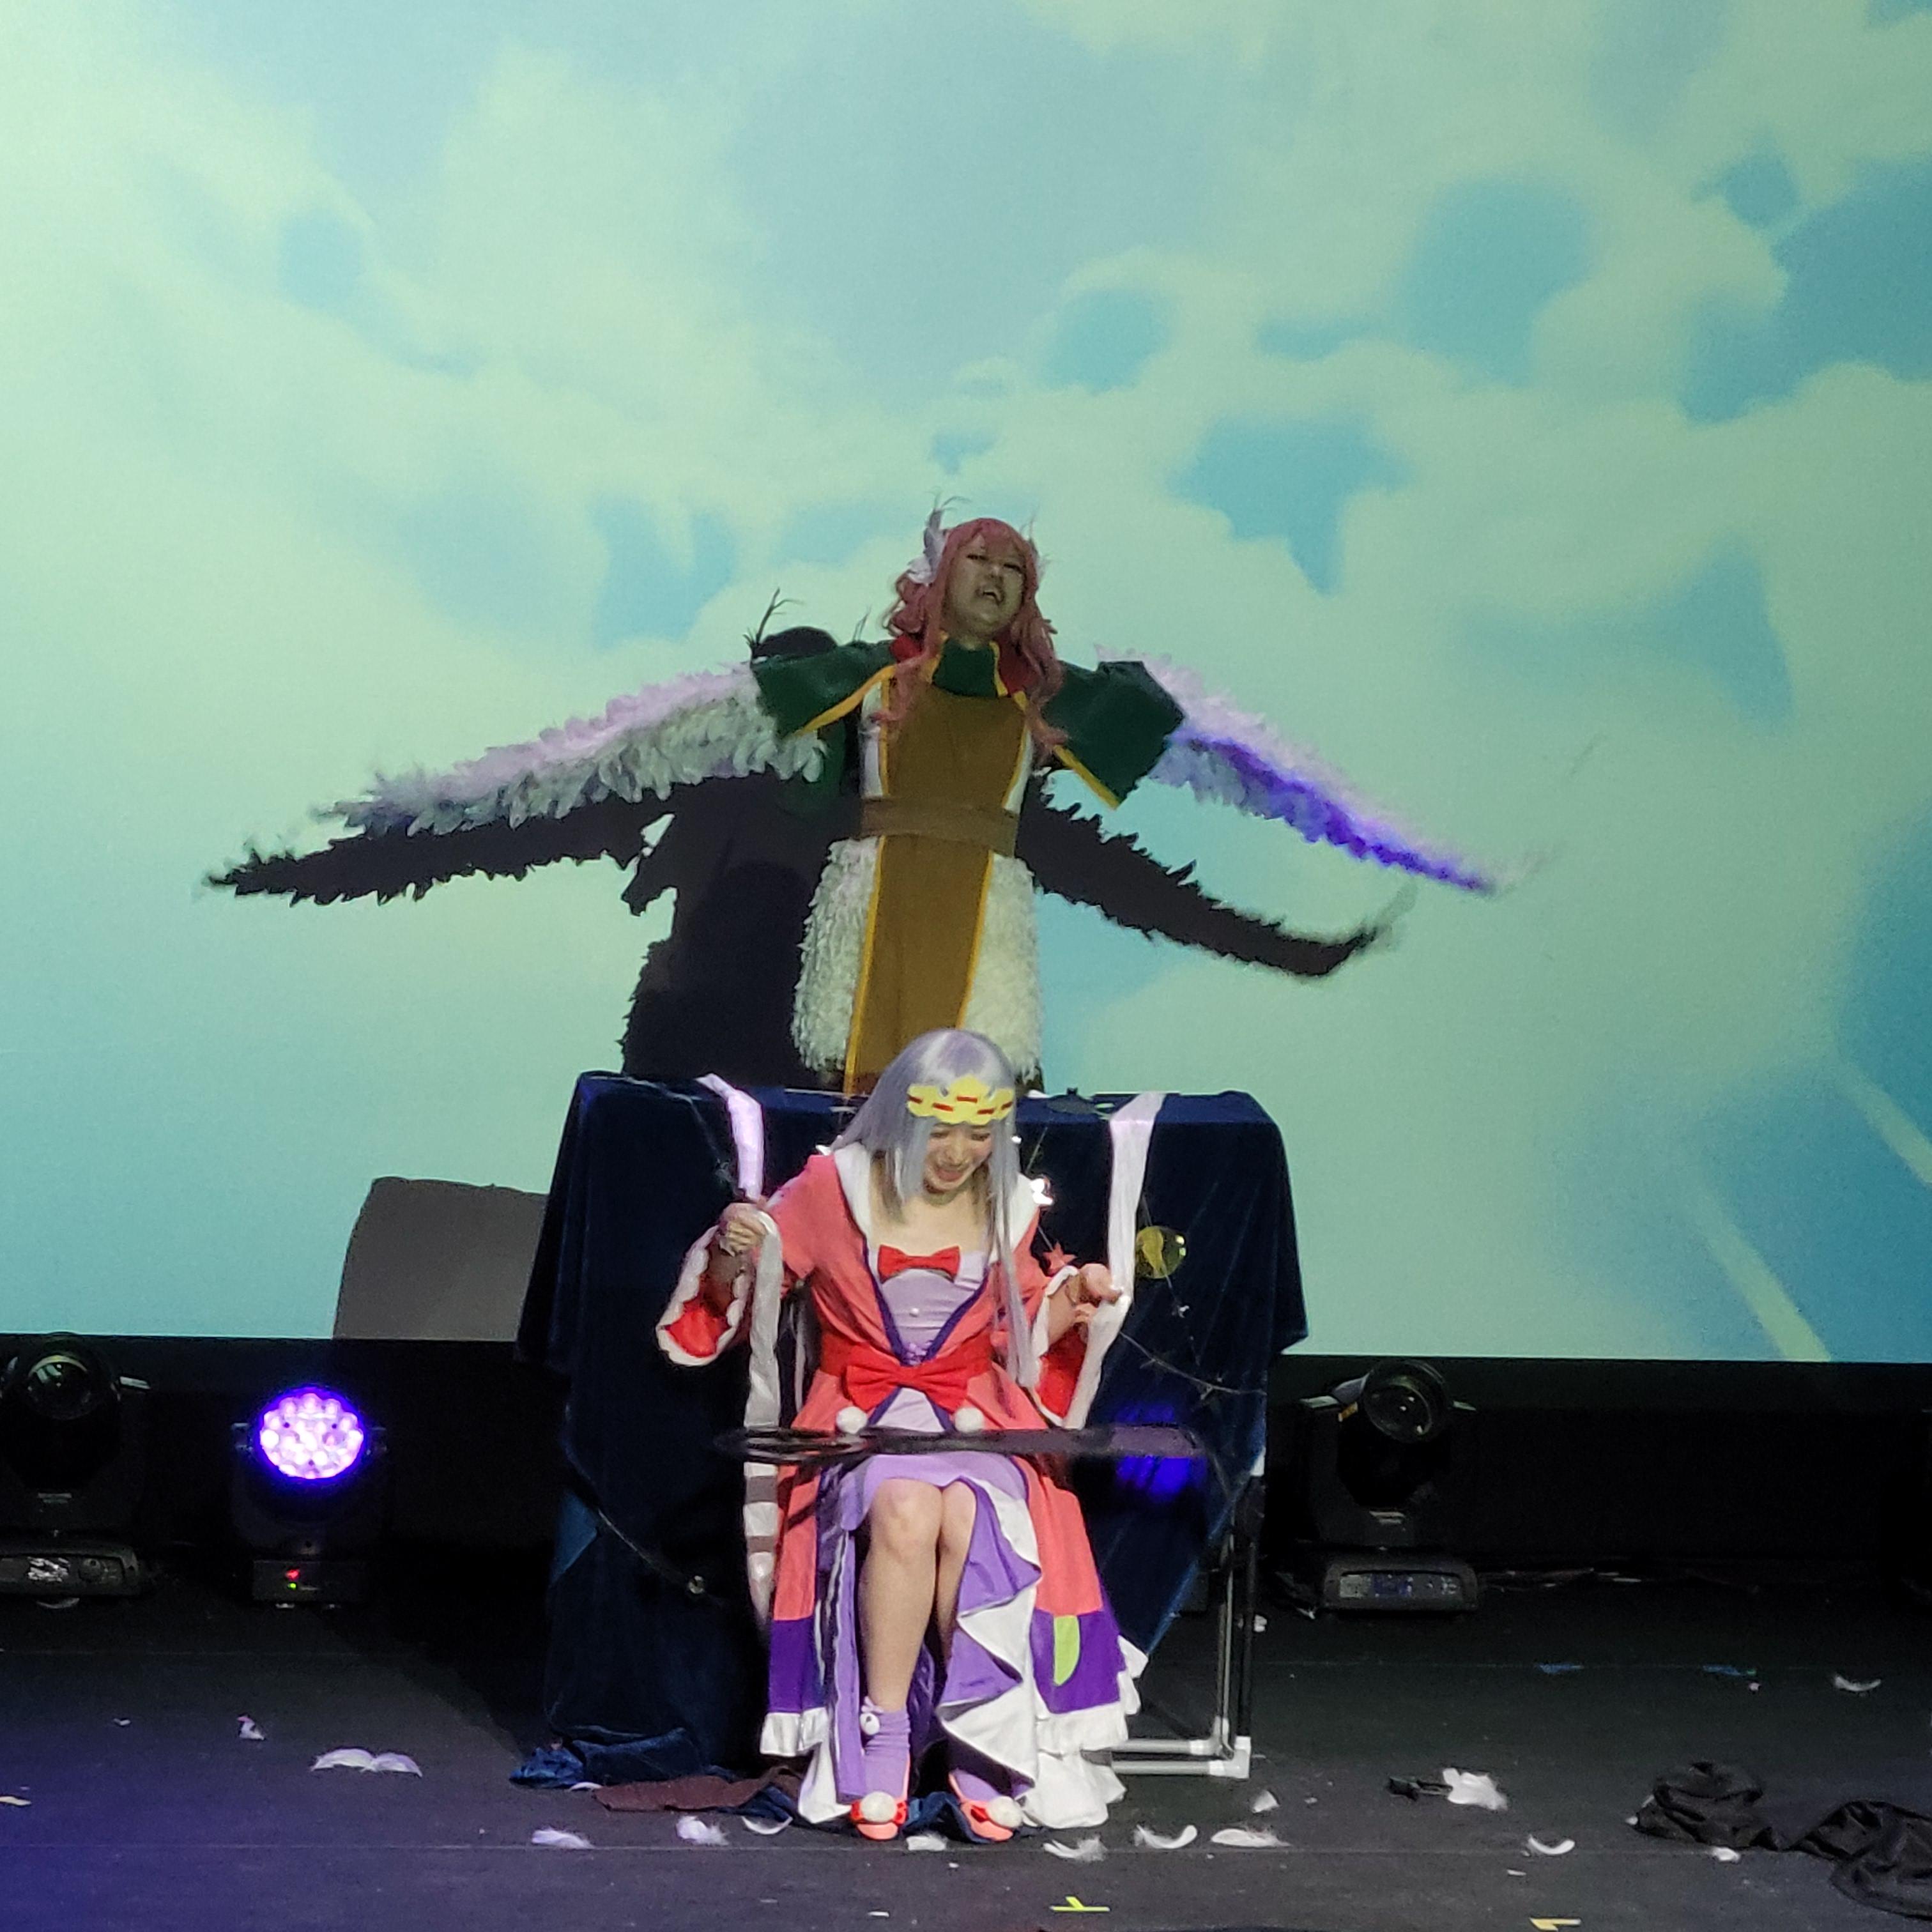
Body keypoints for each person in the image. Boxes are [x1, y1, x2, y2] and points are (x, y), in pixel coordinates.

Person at [655, 1027, 1138, 1841]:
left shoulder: (1007, 1206)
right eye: (942, 1130)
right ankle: (882, 1739)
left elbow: (1016, 1332)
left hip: (978, 1421)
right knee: (906, 1507)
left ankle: (982, 1744)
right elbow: (750, 1288)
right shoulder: (833, 1190)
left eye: (979, 1133)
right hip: (861, 1421)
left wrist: (1077, 1297)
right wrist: (738, 1246)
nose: (959, 1153)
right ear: (905, 1118)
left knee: (973, 1514)